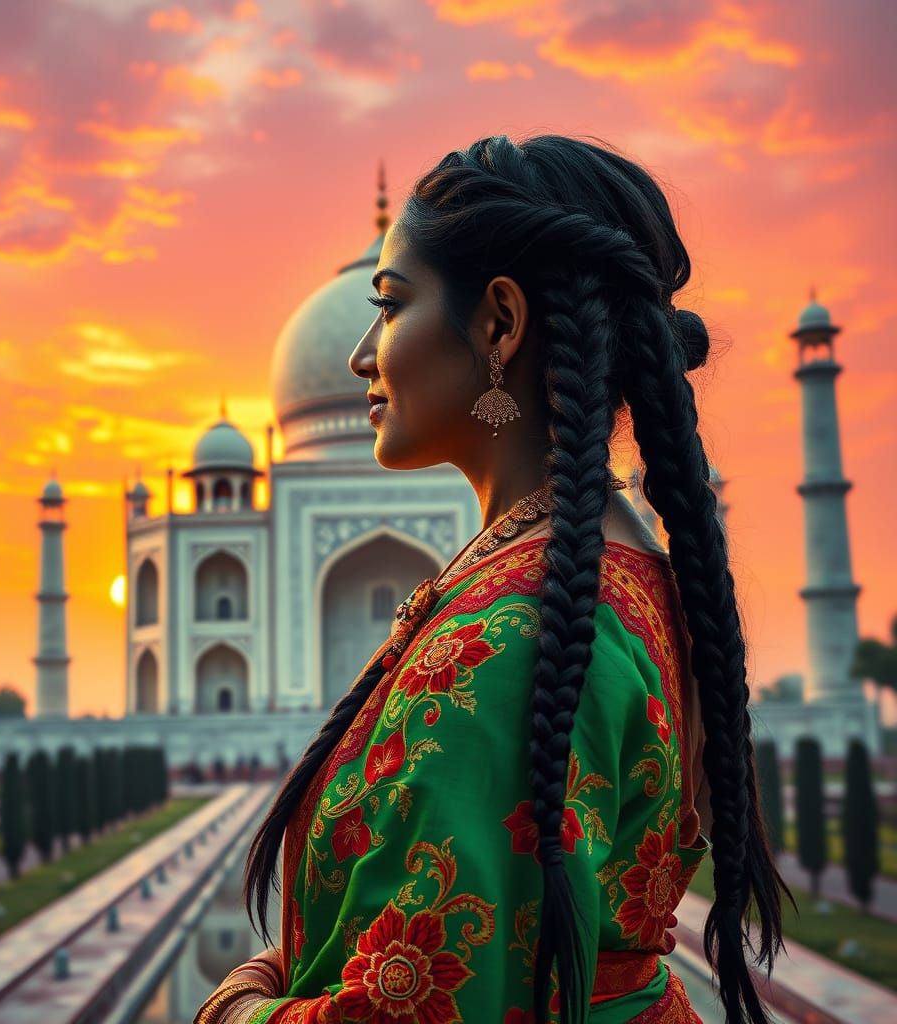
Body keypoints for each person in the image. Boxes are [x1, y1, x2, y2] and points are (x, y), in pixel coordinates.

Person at [194, 134, 790, 1024]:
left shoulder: (505, 642)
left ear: (500, 325)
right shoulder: (622, 578)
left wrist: (237, 1003)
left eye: (391, 308)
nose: (363, 353)